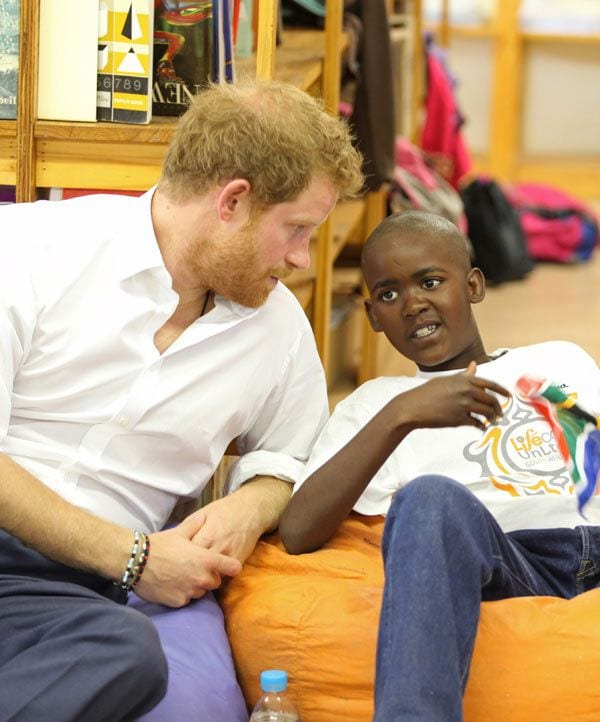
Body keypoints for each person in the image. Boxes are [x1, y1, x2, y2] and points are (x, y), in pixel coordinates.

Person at [0, 79, 363, 721]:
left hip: (69, 599)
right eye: (297, 229)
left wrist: (251, 504)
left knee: (129, 656)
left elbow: (294, 454)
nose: (304, 258)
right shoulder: (30, 250)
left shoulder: (275, 326)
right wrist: (135, 558)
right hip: (68, 549)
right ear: (233, 202)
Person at [280, 210, 600, 721]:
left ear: (473, 285)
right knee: (428, 498)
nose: (412, 304)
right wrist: (403, 415)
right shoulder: (376, 406)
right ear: (372, 317)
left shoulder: (559, 360)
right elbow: (297, 532)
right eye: (388, 295)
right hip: (517, 562)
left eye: (430, 281)